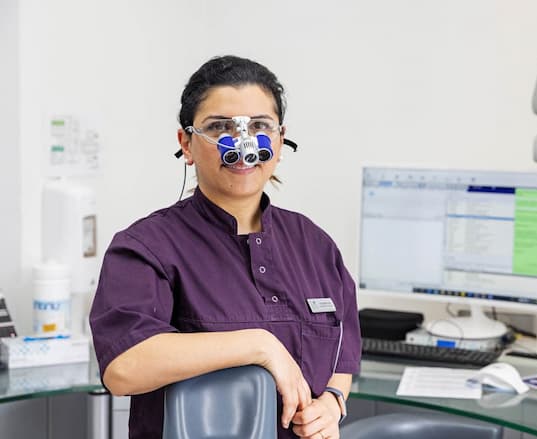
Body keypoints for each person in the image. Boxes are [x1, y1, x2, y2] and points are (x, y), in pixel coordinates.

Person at [89, 55, 361, 439]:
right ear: (186, 143)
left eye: (260, 126)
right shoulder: (146, 248)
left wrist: (332, 402)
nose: (243, 143)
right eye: (220, 127)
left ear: (280, 140)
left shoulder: (315, 245)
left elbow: (341, 353)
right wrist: (258, 345)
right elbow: (123, 367)